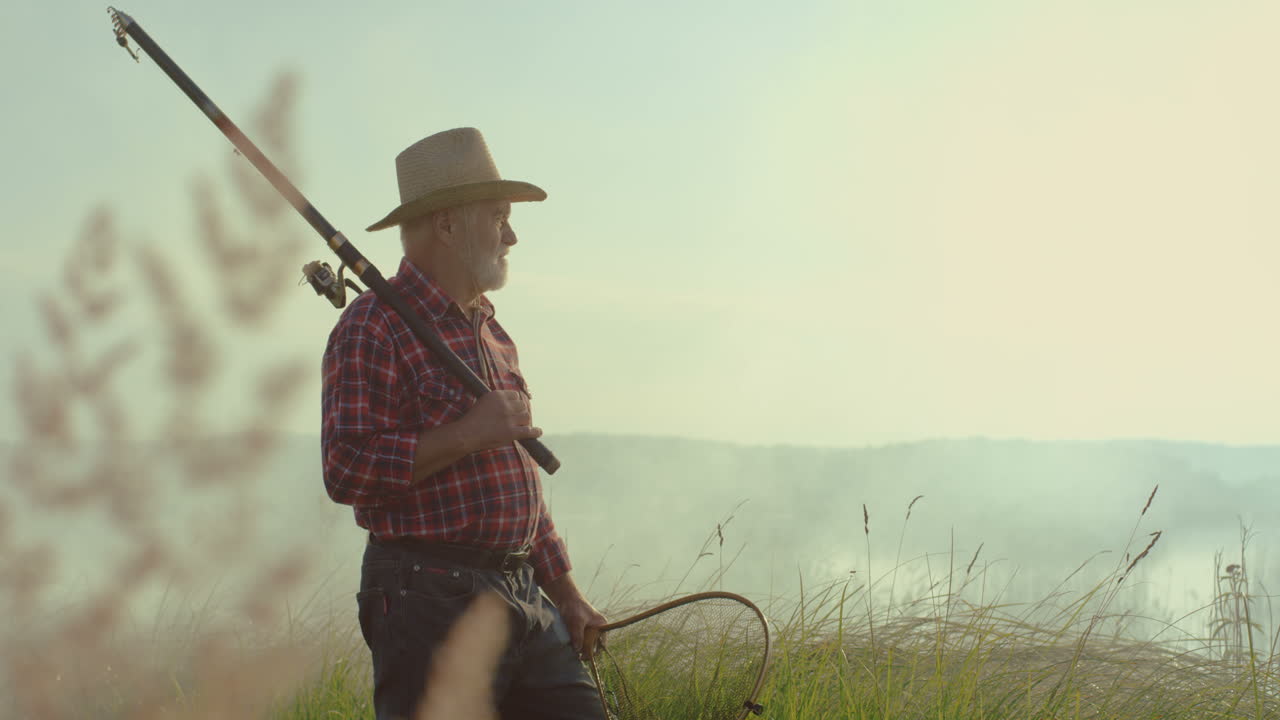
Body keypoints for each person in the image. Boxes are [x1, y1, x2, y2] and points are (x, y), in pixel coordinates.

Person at [321, 127, 607, 720]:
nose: (513, 235)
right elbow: (345, 470)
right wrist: (467, 434)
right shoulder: (371, 325)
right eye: (498, 217)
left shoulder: (493, 334)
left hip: (523, 592)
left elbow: (517, 481)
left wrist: (569, 597)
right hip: (426, 594)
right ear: (447, 226)